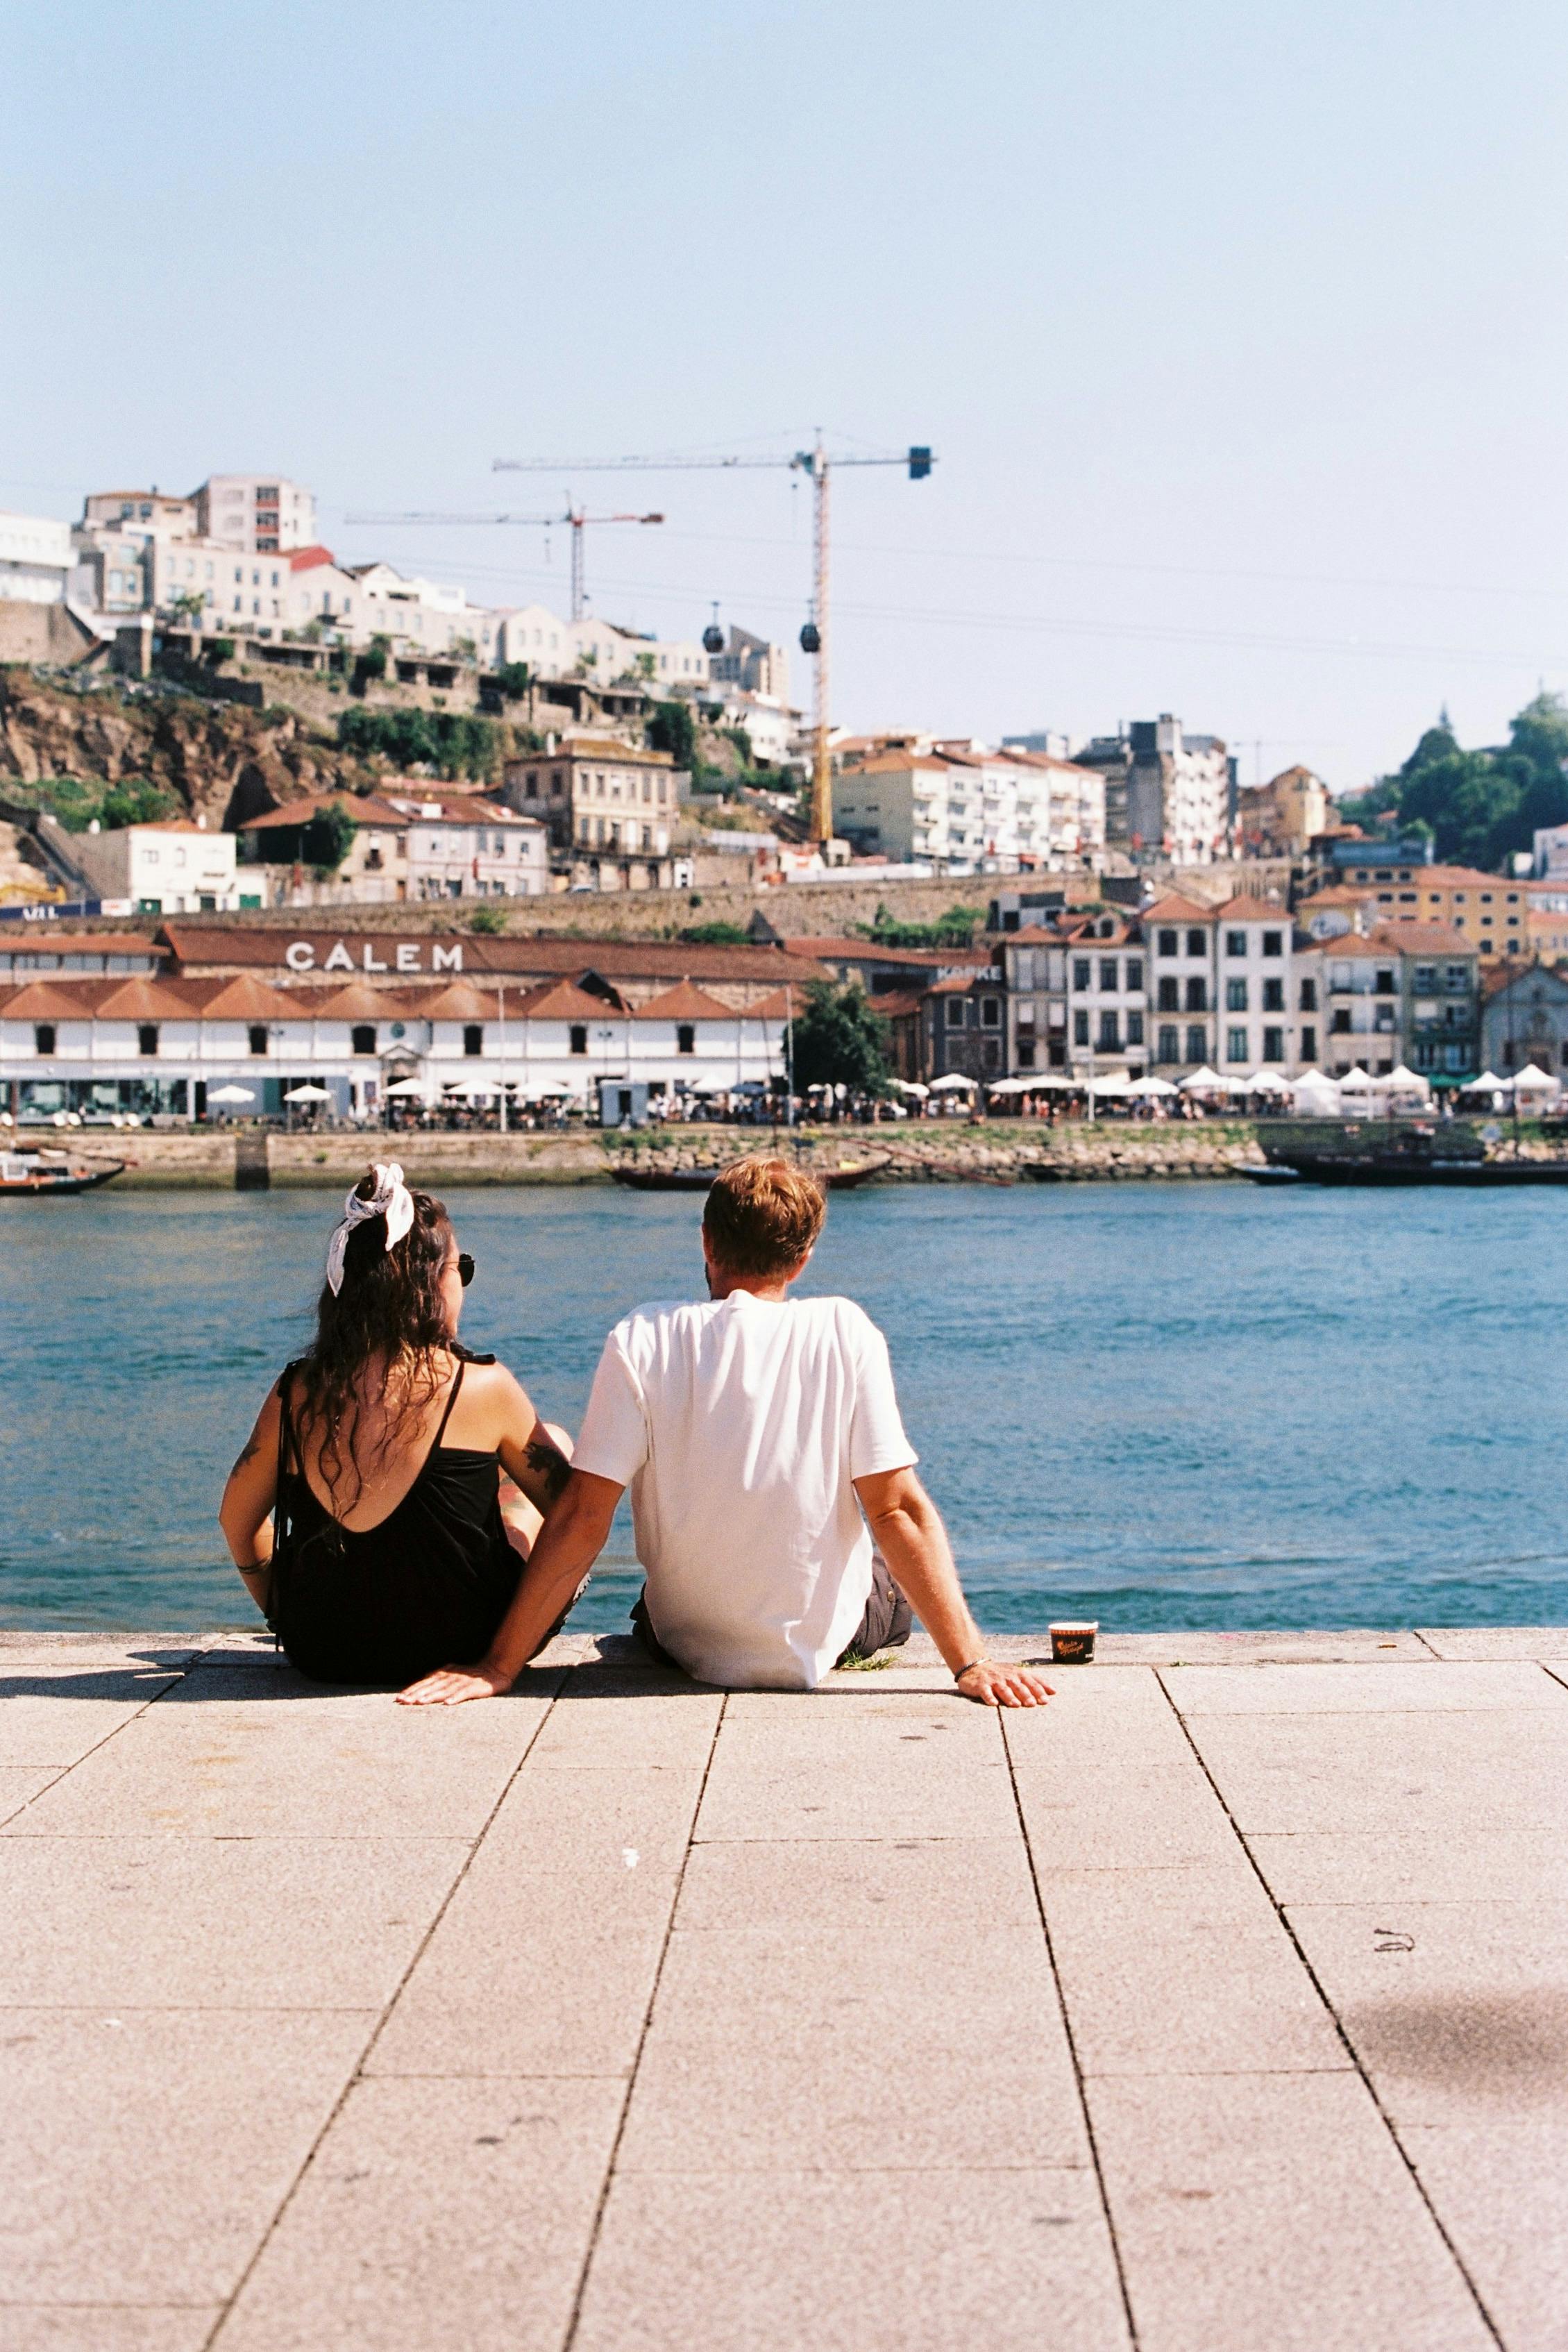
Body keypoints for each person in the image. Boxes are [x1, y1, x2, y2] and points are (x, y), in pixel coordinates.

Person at [400, 1156, 1052, 1709]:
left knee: (648, 1596)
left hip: (683, 1641)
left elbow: (581, 1516)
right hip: (824, 1641)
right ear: (801, 1261)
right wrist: (969, 1665)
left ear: (707, 1242)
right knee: (879, 1570)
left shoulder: (641, 1336)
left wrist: (497, 1666)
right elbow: (895, 1507)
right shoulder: (843, 1330)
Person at [219, 1164, 573, 1686]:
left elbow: (236, 1521)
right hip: (467, 1645)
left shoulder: (296, 1391)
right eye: (461, 1269)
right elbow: (576, 1518)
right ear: (430, 1282)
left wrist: (281, 1609)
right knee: (549, 1456)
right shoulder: (482, 1386)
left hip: (321, 1651)